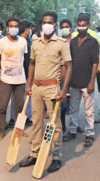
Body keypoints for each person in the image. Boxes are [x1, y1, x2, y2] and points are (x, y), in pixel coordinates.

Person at [20, 11, 72, 173]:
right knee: (36, 121)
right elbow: (32, 64)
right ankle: (35, 153)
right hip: (36, 87)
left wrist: (64, 89)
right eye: (44, 22)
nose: (46, 25)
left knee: (54, 125)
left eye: (49, 22)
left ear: (55, 25)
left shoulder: (62, 43)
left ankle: (56, 156)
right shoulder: (35, 42)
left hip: (52, 88)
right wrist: (28, 86)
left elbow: (69, 66)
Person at [63, 14, 99, 147]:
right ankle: (72, 130)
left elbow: (95, 63)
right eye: (79, 25)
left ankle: (89, 134)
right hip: (74, 81)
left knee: (89, 110)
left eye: (84, 25)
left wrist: (91, 82)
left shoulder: (93, 42)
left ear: (88, 26)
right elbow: (69, 62)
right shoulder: (72, 42)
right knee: (73, 108)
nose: (81, 27)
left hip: (87, 81)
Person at [0, 17, 27, 140]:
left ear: (18, 28)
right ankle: (1, 131)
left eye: (16, 26)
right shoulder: (1, 42)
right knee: (3, 107)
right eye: (11, 26)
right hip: (6, 80)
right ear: (7, 28)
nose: (13, 28)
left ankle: (20, 130)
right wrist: (4, 68)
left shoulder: (23, 42)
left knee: (20, 107)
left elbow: (25, 59)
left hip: (20, 79)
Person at [8, 20, 33, 128]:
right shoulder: (23, 42)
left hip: (20, 73)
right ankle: (22, 118)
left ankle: (15, 118)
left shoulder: (25, 41)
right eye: (29, 29)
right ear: (26, 29)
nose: (30, 31)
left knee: (17, 98)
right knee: (23, 98)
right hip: (21, 73)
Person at [59, 19, 72, 133]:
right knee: (62, 104)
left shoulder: (75, 42)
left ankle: (74, 126)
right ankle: (62, 127)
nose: (65, 28)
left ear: (71, 28)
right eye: (62, 27)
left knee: (74, 104)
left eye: (66, 26)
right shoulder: (58, 42)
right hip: (62, 77)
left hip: (75, 77)